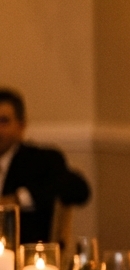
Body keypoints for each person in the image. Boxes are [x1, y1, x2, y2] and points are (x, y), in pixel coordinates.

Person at [0, 88, 91, 245]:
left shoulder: (41, 160)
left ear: (21, 126)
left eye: (4, 121)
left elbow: (79, 189)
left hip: (26, 256)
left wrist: (17, 199)